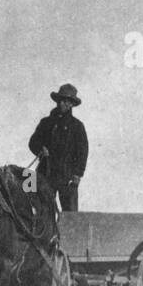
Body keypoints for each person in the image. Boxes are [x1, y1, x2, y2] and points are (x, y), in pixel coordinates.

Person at [28, 83, 88, 211]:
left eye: (67, 102)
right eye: (61, 100)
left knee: (71, 217)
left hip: (67, 178)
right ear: (57, 101)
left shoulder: (77, 126)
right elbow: (33, 142)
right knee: (42, 212)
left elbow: (83, 153)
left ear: (72, 104)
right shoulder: (46, 123)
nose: (63, 104)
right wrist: (41, 149)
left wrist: (77, 175)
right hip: (46, 174)